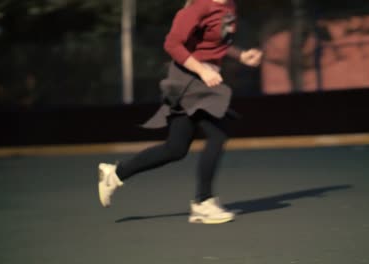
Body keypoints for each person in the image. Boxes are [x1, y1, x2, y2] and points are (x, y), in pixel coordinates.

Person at [98, 0, 262, 224]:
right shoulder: (198, 7)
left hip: (202, 81)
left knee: (176, 148)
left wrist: (241, 56)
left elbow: (216, 43)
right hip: (188, 80)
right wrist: (203, 70)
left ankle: (115, 174)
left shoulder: (229, 6)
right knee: (217, 134)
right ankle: (203, 203)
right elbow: (173, 44)